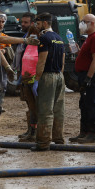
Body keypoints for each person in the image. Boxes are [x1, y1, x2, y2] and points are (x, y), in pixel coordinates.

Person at [0, 10, 39, 154]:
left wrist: (7, 68)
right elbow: (2, 41)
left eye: (3, 22)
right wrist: (24, 40)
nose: (1, 24)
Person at [31, 12, 66, 150]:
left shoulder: (44, 38)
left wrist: (37, 80)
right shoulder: (59, 37)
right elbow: (62, 61)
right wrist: (60, 76)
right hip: (59, 76)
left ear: (45, 23)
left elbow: (42, 61)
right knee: (58, 109)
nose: (37, 26)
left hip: (47, 76)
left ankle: (43, 143)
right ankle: (58, 138)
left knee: (45, 110)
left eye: (38, 24)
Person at [69, 14, 95, 143]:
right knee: (84, 104)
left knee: (92, 104)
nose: (82, 24)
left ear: (92, 23)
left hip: (92, 75)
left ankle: (94, 133)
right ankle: (84, 132)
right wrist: (78, 52)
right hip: (85, 74)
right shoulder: (90, 37)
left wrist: (88, 78)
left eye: (84, 22)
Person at [12, 12, 37, 139]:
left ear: (33, 23)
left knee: (34, 105)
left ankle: (34, 132)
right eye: (22, 22)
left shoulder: (34, 39)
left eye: (26, 22)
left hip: (31, 77)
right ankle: (30, 131)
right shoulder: (24, 37)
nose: (22, 24)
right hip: (24, 76)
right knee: (29, 104)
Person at [19, 26, 40, 142]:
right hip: (26, 81)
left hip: (34, 80)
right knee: (31, 107)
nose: (32, 35)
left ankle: (36, 132)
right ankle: (31, 131)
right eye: (30, 33)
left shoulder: (41, 47)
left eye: (35, 33)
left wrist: (37, 80)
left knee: (37, 107)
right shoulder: (27, 46)